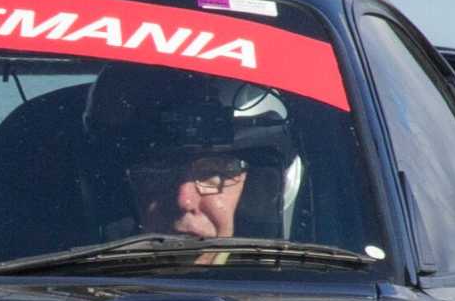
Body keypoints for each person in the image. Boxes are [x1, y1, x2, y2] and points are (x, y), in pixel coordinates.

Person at [84, 69, 299, 241]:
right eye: (158, 170)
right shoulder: (73, 277)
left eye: (213, 172)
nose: (184, 201)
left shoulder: (301, 280)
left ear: (260, 186)